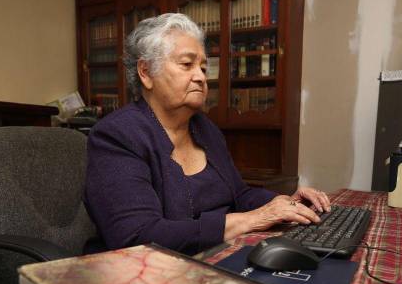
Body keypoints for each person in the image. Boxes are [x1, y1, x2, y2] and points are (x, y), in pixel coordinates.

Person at [84, 13, 331, 255]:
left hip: (217, 254)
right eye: (187, 64)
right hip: (147, 277)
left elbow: (240, 195)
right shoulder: (116, 136)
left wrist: (287, 202)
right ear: (146, 72)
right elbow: (137, 237)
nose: (201, 77)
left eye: (203, 67)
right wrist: (249, 220)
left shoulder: (204, 128)